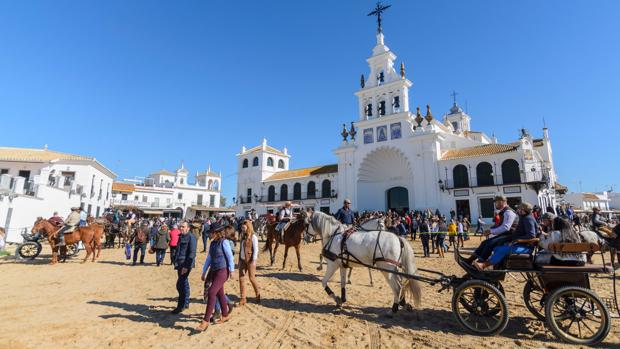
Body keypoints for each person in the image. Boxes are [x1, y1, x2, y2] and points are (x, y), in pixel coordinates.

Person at [473, 202, 537, 270]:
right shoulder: (524, 217)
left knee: (501, 250)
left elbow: (531, 235)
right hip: (520, 244)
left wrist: (517, 240)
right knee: (496, 248)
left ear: (523, 210)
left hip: (526, 247)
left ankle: (484, 265)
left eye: (519, 208)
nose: (517, 210)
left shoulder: (528, 219)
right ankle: (496, 269)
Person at [197, 222, 235, 331]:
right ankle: (226, 315)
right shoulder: (213, 243)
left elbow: (230, 257)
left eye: (211, 232)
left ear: (217, 233)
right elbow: (209, 258)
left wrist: (232, 271)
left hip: (223, 271)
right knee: (220, 293)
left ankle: (205, 320)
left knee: (212, 292)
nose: (209, 234)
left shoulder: (224, 242)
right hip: (214, 271)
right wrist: (204, 272)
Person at [466, 196, 519, 264]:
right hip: (506, 234)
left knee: (489, 244)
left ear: (501, 202)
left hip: (510, 235)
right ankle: (469, 260)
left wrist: (491, 231)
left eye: (496, 202)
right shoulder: (504, 211)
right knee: (484, 243)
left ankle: (480, 262)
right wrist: (490, 230)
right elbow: (500, 225)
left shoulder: (508, 212)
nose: (495, 204)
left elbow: (506, 227)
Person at [172, 221, 197, 314]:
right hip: (179, 263)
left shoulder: (191, 237)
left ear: (188, 228)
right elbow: (178, 250)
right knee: (184, 283)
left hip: (186, 264)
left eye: (183, 227)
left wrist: (186, 266)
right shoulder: (181, 236)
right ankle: (186, 303)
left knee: (180, 285)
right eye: (180, 227)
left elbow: (192, 253)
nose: (181, 228)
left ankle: (180, 306)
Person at [238, 220, 260, 305]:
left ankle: (258, 294)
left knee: (252, 278)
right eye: (242, 227)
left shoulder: (253, 237)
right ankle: (243, 298)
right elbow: (240, 249)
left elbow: (256, 249)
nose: (242, 229)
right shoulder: (242, 236)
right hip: (242, 260)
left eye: (244, 227)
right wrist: (240, 260)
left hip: (250, 260)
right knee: (241, 278)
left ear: (248, 227)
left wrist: (254, 260)